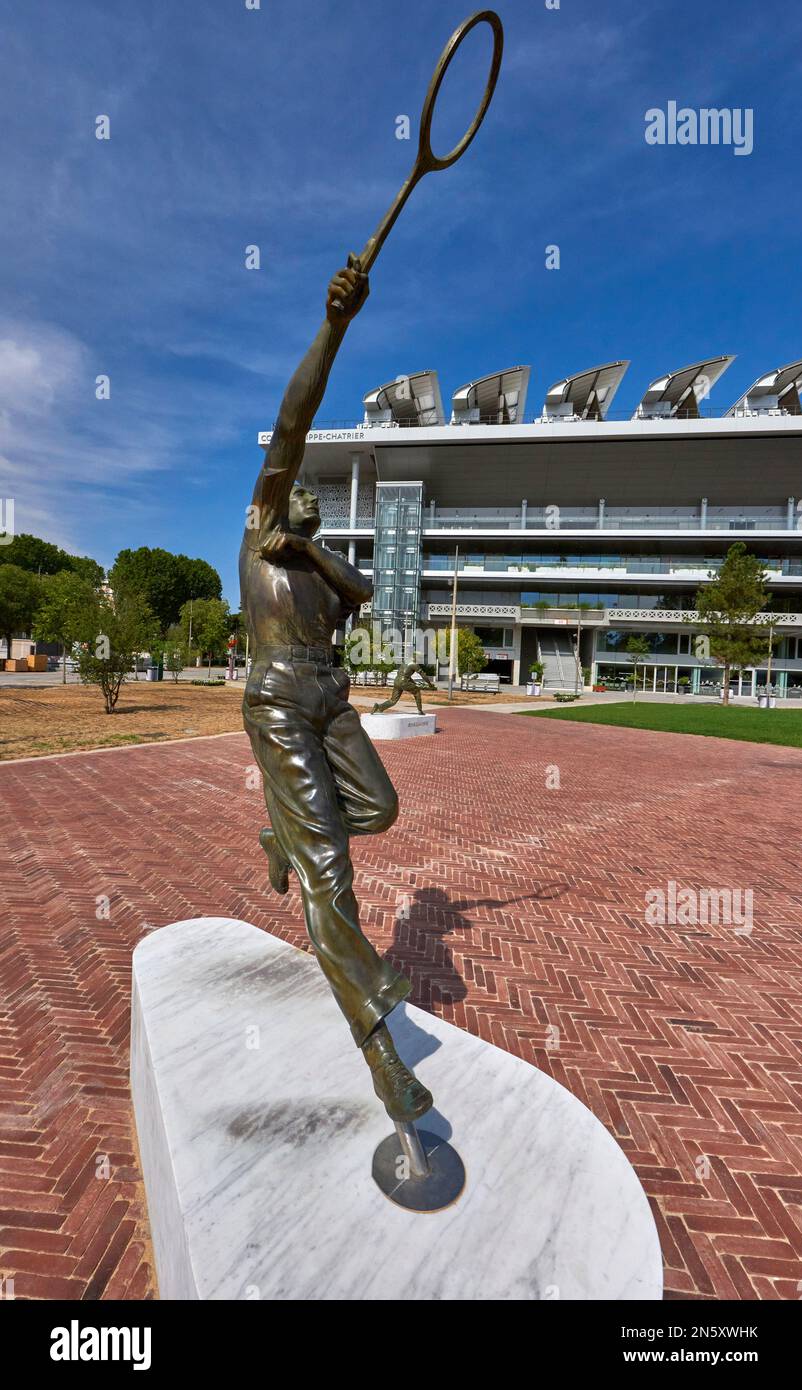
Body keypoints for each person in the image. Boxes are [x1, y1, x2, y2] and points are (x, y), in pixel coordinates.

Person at [240, 258, 432, 1123]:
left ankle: (284, 831)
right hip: (280, 700)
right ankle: (382, 1050)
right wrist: (338, 323)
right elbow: (293, 420)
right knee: (334, 873)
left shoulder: (320, 571)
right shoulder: (259, 534)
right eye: (297, 493)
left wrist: (315, 550)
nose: (304, 494)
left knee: (380, 808)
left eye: (314, 496)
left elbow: (365, 593)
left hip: (332, 701)